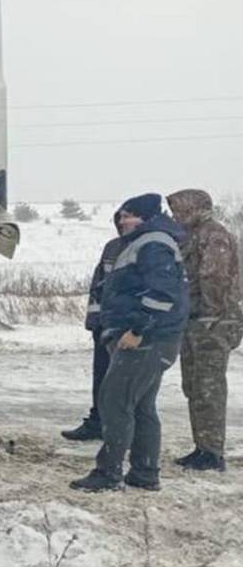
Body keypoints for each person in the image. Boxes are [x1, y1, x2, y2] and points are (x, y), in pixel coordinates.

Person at [71, 193, 190, 492]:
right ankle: (144, 472)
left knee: (115, 402)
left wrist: (138, 329)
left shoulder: (154, 243)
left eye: (129, 215)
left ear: (147, 216)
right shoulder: (142, 241)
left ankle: (108, 473)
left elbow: (162, 294)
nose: (122, 220)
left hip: (147, 341)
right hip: (151, 339)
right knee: (141, 406)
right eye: (121, 215)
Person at [167, 189, 243, 471]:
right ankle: (202, 446)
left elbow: (215, 276)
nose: (176, 216)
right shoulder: (193, 235)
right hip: (196, 318)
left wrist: (211, 312)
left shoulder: (213, 234)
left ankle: (212, 452)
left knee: (209, 387)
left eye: (180, 211)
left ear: (194, 208)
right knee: (194, 385)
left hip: (213, 321)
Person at [62, 213, 128, 441]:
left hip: (127, 328)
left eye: (127, 218)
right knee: (101, 375)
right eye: (120, 220)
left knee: (125, 382)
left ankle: (123, 429)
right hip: (104, 325)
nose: (122, 224)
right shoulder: (112, 247)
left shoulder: (146, 248)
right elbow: (99, 285)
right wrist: (94, 321)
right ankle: (97, 421)